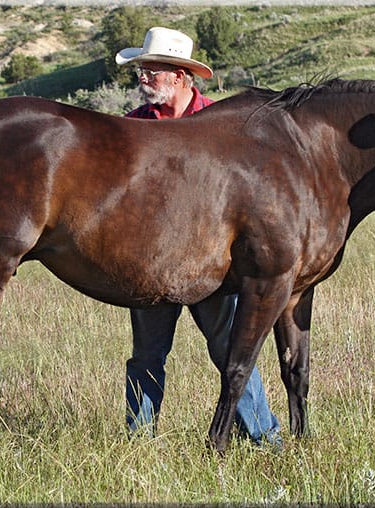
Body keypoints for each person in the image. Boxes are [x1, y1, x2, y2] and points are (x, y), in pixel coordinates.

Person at [116, 27, 281, 447]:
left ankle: (264, 439)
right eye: (142, 70)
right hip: (150, 262)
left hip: (214, 261)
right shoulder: (132, 128)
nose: (143, 78)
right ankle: (140, 445)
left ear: (179, 75)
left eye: (151, 70)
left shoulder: (222, 126)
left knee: (232, 351)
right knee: (147, 355)